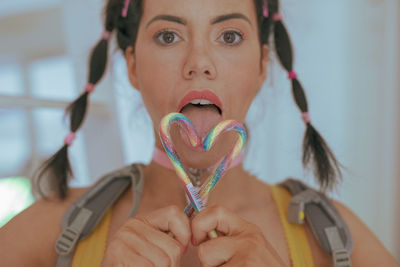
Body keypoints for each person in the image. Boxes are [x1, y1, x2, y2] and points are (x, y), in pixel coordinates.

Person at [0, 0, 398, 266]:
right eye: (169, 36)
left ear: (262, 64)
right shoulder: (50, 227)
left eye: (229, 36)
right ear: (133, 66)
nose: (199, 62)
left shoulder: (329, 235)